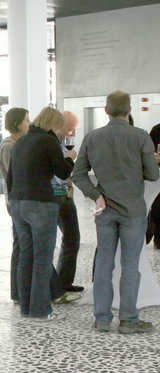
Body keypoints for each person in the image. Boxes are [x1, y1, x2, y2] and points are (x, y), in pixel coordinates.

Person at [73, 91, 159, 334]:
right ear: (129, 110)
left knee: (103, 263)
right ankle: (129, 320)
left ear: (106, 111)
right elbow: (153, 175)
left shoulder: (92, 137)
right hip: (133, 210)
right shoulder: (141, 136)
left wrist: (96, 195)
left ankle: (102, 319)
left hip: (105, 210)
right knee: (130, 265)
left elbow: (78, 174)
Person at [7, 106, 76, 320]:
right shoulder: (49, 141)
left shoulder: (21, 142)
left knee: (26, 257)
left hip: (18, 204)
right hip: (40, 205)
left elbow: (10, 177)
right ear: (54, 124)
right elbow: (62, 172)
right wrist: (71, 157)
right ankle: (40, 310)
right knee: (42, 259)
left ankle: (26, 308)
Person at [0, 108, 30, 302]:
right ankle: (17, 292)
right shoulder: (9, 146)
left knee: (21, 244)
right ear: (17, 124)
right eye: (26, 120)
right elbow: (14, 174)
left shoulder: (18, 144)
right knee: (19, 245)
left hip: (19, 199)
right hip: (16, 201)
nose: (30, 123)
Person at [51, 111, 83, 292]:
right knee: (56, 242)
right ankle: (56, 286)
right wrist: (70, 158)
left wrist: (69, 185)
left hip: (64, 195)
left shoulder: (60, 143)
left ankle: (64, 282)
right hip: (55, 198)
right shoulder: (51, 143)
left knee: (72, 238)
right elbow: (57, 172)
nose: (73, 134)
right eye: (71, 129)